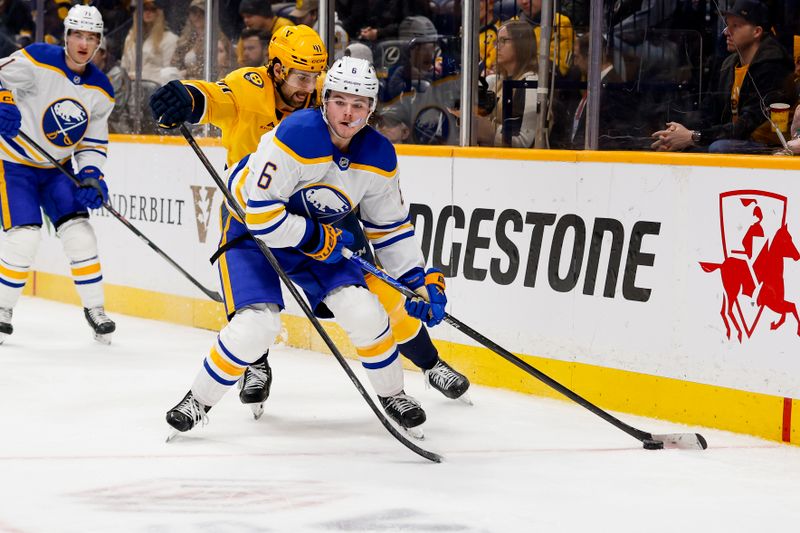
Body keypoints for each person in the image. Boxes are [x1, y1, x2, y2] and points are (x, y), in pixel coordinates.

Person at [150, 25, 469, 417]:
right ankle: (231, 378)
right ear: (278, 69)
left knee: (371, 305)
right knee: (256, 324)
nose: (311, 88)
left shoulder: (342, 113)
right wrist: (185, 96)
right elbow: (214, 98)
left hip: (322, 215)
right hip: (254, 221)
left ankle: (415, 375)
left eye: (316, 78)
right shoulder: (261, 97)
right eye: (303, 77)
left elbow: (390, 228)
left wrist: (417, 280)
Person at [0, 5, 116, 343]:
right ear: (66, 36)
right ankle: (3, 309)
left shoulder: (102, 89)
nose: (83, 43)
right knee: (24, 237)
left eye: (91, 37)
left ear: (99, 43)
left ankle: (96, 310)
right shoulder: (38, 59)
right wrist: (4, 100)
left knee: (80, 233)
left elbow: (92, 139)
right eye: (78, 35)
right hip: (14, 164)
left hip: (57, 169)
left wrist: (92, 173)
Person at [651, 0, 793, 154]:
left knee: (718, 148)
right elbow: (708, 112)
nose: (726, 31)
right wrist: (676, 132)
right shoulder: (727, 65)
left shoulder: (773, 67)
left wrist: (694, 136)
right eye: (727, 25)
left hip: (765, 145)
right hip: (731, 137)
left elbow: (747, 124)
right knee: (674, 144)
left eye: (735, 26)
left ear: (757, 32)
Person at [474, 20, 540, 148]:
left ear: (521, 45)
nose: (497, 46)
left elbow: (525, 141)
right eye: (496, 42)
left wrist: (490, 132)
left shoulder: (530, 83)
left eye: (504, 41)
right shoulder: (495, 81)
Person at [120, 0, 179, 85]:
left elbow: (170, 74)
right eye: (144, 9)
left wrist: (140, 76)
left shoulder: (169, 38)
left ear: (159, 12)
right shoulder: (130, 38)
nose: (148, 12)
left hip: (155, 89)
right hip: (130, 90)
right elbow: (124, 66)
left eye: (152, 9)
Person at [92, 39, 131, 134]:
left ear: (103, 54)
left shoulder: (117, 74)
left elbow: (115, 110)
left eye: (94, 51)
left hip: (118, 129)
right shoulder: (82, 73)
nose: (89, 56)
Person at [170, 0, 206, 79]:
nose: (197, 16)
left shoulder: (213, 40)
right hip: (185, 80)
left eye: (202, 13)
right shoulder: (186, 39)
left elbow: (209, 67)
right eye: (194, 13)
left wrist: (188, 72)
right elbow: (174, 62)